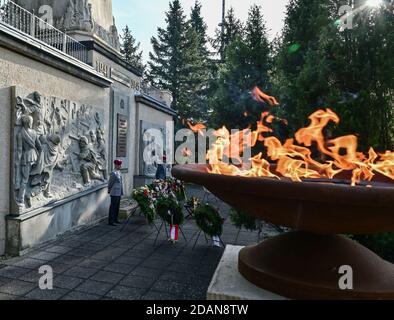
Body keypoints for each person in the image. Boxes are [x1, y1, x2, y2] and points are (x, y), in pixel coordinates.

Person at [108, 159, 124, 226]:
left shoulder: (119, 172)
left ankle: (115, 219)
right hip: (114, 192)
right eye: (119, 165)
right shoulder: (113, 173)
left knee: (117, 207)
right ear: (116, 165)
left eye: (120, 165)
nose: (121, 166)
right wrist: (109, 189)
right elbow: (110, 182)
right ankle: (111, 221)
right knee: (113, 207)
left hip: (118, 192)